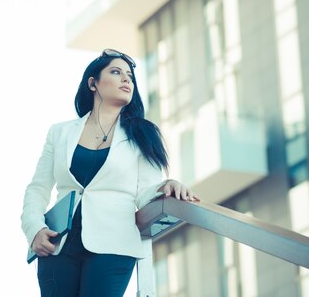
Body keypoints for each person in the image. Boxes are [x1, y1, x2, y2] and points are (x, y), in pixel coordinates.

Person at [21, 48, 200, 297]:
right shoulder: (60, 132)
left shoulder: (143, 134)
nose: (126, 80)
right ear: (93, 83)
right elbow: (37, 188)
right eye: (116, 72)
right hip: (58, 247)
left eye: (129, 76)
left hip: (113, 245)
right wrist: (35, 229)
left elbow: (144, 192)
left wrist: (166, 185)